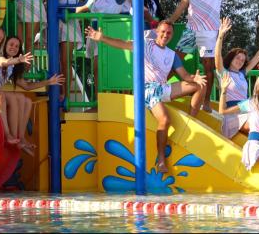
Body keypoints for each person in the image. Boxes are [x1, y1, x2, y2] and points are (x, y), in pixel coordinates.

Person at [85, 20, 207, 173]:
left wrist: (194, 78)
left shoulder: (172, 55)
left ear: (172, 35)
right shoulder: (145, 44)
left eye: (169, 33)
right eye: (163, 31)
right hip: (147, 89)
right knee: (165, 119)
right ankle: (161, 158)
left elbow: (184, 75)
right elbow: (122, 43)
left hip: (162, 87)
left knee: (201, 85)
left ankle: (191, 121)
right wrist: (102, 37)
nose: (165, 35)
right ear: (157, 31)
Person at [170, 0, 241, 112]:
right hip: (191, 29)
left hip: (209, 31)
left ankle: (206, 102)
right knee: (174, 59)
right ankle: (163, 90)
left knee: (208, 66)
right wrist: (170, 20)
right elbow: (183, 4)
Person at [3, 35, 65, 155]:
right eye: (11, 44)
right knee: (19, 98)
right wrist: (18, 60)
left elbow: (26, 86)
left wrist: (49, 82)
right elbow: (3, 62)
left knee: (27, 101)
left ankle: (21, 137)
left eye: (17, 46)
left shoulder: (13, 66)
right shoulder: (1, 58)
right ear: (4, 45)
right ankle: (13, 136)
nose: (14, 48)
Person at [214, 18, 259, 138]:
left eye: (242, 60)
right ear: (231, 58)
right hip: (232, 114)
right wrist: (220, 35)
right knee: (258, 124)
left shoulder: (242, 73)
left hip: (247, 110)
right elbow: (217, 56)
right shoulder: (224, 73)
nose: (240, 61)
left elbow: (258, 57)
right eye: (237, 58)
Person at [77, 0, 132, 84]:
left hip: (111, 35)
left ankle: (115, 101)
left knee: (113, 71)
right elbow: (80, 10)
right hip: (96, 36)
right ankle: (98, 102)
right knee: (97, 70)